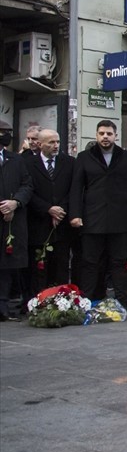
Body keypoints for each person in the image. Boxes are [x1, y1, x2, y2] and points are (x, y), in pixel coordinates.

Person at [69, 120, 127, 306]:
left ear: (115, 135)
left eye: (109, 133)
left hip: (120, 219)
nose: (105, 137)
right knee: (91, 262)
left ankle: (121, 301)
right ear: (96, 135)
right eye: (101, 133)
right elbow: (76, 188)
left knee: (119, 262)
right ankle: (89, 300)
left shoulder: (126, 157)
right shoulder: (85, 157)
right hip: (93, 219)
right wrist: (75, 214)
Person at [23, 129, 74, 295]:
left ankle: (61, 301)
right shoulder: (28, 164)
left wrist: (60, 211)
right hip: (39, 224)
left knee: (61, 266)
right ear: (39, 144)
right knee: (39, 267)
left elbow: (73, 190)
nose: (56, 146)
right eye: (51, 142)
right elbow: (28, 191)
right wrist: (48, 209)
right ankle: (37, 301)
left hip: (62, 224)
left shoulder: (69, 162)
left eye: (57, 142)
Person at [0, 121, 33, 320]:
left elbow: (27, 185)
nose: (5, 136)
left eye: (7, 133)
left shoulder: (15, 159)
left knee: (7, 265)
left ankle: (3, 305)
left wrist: (15, 203)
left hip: (11, 222)